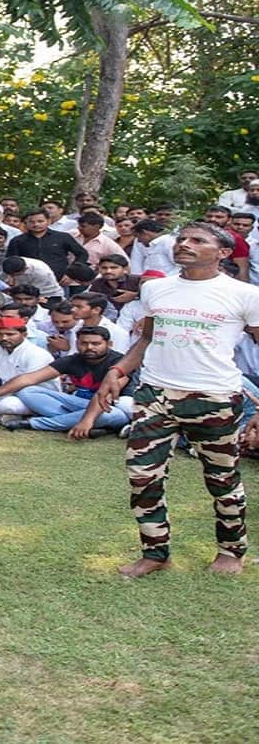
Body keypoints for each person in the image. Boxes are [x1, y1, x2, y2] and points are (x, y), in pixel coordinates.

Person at [96, 221, 259, 578]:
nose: (184, 244)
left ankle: (231, 551)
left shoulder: (245, 295)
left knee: (222, 479)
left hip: (215, 397)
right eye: (182, 238)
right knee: (143, 476)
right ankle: (155, 552)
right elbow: (146, 339)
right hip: (155, 393)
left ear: (224, 253)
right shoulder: (155, 288)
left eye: (197, 240)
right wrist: (118, 371)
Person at [0, 326, 134, 436]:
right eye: (84, 343)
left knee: (110, 415)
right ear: (76, 343)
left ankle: (35, 423)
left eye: (96, 344)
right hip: (78, 404)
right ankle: (91, 426)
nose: (89, 347)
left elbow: (105, 396)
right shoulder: (72, 360)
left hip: (110, 407)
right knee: (27, 390)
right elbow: (29, 378)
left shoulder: (120, 362)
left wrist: (87, 420)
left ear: (109, 344)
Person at [6, 210, 88, 279]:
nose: (36, 224)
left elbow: (82, 254)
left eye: (40, 221)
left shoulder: (62, 237)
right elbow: (11, 260)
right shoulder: (18, 240)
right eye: (31, 222)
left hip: (59, 281)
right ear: (26, 223)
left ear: (49, 221)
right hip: (27, 280)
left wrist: (72, 273)